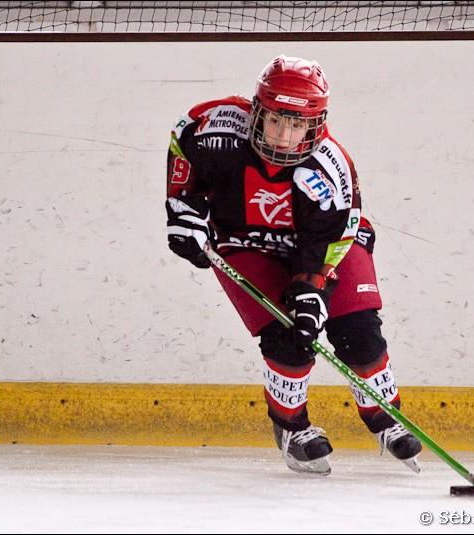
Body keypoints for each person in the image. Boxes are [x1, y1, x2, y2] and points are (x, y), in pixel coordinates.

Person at [165, 55, 422, 476]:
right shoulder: (212, 128)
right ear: (257, 111)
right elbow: (184, 153)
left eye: (297, 126)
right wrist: (184, 213)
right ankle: (292, 428)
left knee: (358, 332)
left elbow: (329, 242)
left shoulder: (330, 168)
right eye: (275, 121)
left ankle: (384, 416)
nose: (284, 137)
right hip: (245, 243)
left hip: (324, 244)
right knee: (288, 338)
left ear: (315, 125)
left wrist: (312, 292)